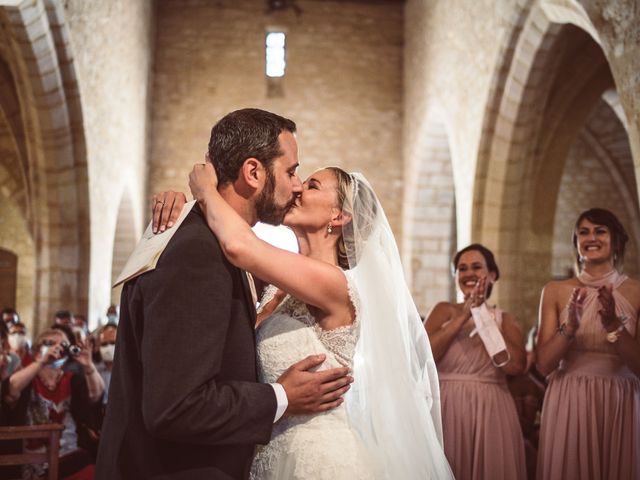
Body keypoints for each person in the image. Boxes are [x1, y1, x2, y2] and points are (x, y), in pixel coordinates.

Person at [95, 109, 353, 480]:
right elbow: (176, 406)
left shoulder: (223, 247)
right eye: (292, 172)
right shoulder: (198, 251)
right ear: (253, 172)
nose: (296, 185)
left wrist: (202, 196)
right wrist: (282, 397)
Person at [178, 160, 453, 479]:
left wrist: (205, 192)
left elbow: (239, 245)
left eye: (311, 186)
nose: (296, 188)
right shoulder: (276, 291)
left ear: (339, 216)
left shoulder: (335, 283)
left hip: (319, 461)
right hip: (267, 454)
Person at [536, 208, 640, 479]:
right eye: (583, 232)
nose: (591, 237)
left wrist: (613, 325)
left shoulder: (636, 292)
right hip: (571, 396)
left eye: (599, 231)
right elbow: (544, 364)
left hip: (621, 398)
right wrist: (569, 327)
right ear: (576, 243)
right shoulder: (555, 291)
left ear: (616, 241)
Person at [424, 244, 526, 480]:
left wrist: (482, 316)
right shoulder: (444, 310)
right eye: (462, 268)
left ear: (492, 275)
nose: (468, 273)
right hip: (447, 405)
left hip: (491, 408)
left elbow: (515, 366)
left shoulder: (505, 320)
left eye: (476, 267)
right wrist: (462, 316)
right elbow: (423, 357)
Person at [4, 328, 97, 479]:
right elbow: (11, 387)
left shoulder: (72, 379)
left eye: (63, 345)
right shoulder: (28, 379)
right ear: (36, 351)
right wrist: (42, 361)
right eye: (49, 343)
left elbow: (96, 396)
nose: (57, 348)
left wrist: (88, 367)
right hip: (34, 464)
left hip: (69, 455)